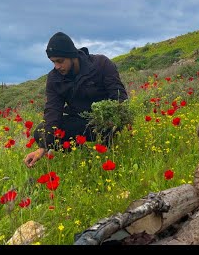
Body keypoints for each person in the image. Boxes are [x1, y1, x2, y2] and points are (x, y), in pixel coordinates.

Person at [24, 32, 128, 168]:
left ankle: (106, 148)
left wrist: (113, 122)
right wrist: (43, 147)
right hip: (80, 123)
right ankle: (83, 155)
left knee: (110, 127)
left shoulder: (101, 64)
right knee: (41, 131)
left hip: (106, 121)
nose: (57, 66)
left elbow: (120, 99)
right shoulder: (54, 78)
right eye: (53, 62)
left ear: (72, 56)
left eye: (60, 61)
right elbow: (52, 111)